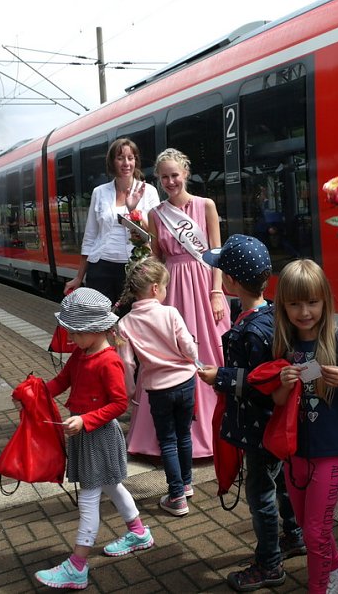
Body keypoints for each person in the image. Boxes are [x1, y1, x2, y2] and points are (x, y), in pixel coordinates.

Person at [25, 288, 153, 590]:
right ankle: (138, 532)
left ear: (95, 330)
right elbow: (60, 382)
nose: (70, 339)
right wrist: (31, 394)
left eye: (75, 333)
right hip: (86, 435)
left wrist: (85, 419)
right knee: (111, 485)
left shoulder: (108, 361)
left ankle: (78, 566)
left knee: (89, 499)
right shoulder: (82, 354)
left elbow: (120, 403)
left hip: (98, 436)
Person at [197, 234, 305, 591]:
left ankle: (269, 563)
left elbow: (259, 383)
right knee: (282, 483)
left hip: (259, 430)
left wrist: (220, 377)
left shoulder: (249, 332)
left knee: (260, 495)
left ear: (229, 282)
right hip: (276, 428)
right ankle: (294, 535)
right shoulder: (271, 314)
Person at [271, 259, 338, 594]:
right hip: (293, 451)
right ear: (283, 304)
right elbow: (279, 401)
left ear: (325, 299)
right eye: (295, 303)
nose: (304, 311)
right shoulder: (283, 343)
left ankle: (320, 586)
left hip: (329, 451)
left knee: (313, 532)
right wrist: (282, 382)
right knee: (309, 525)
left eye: (312, 302)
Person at [127, 148, 230, 458]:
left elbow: (217, 252)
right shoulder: (156, 215)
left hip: (204, 286)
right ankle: (168, 435)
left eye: (175, 175)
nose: (170, 181)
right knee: (172, 351)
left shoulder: (206, 206)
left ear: (185, 173)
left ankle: (217, 430)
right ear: (159, 179)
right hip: (172, 290)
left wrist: (216, 292)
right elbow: (157, 258)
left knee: (211, 350)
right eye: (164, 177)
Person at [115, 258, 199, 516]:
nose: (165, 291)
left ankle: (176, 496)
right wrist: (191, 357)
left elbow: (127, 364)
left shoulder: (125, 324)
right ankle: (186, 484)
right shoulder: (171, 313)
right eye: (164, 287)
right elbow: (188, 347)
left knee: (168, 441)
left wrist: (129, 393)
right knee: (184, 435)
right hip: (186, 381)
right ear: (154, 288)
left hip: (158, 389)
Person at [64, 138, 160, 304]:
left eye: (130, 158)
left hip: (136, 268)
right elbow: (90, 236)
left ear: (136, 160)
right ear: (112, 162)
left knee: (131, 322)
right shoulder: (99, 192)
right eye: (120, 158)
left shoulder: (148, 192)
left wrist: (133, 211)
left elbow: (155, 232)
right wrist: (79, 277)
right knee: (101, 321)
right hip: (101, 267)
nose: (126, 163)